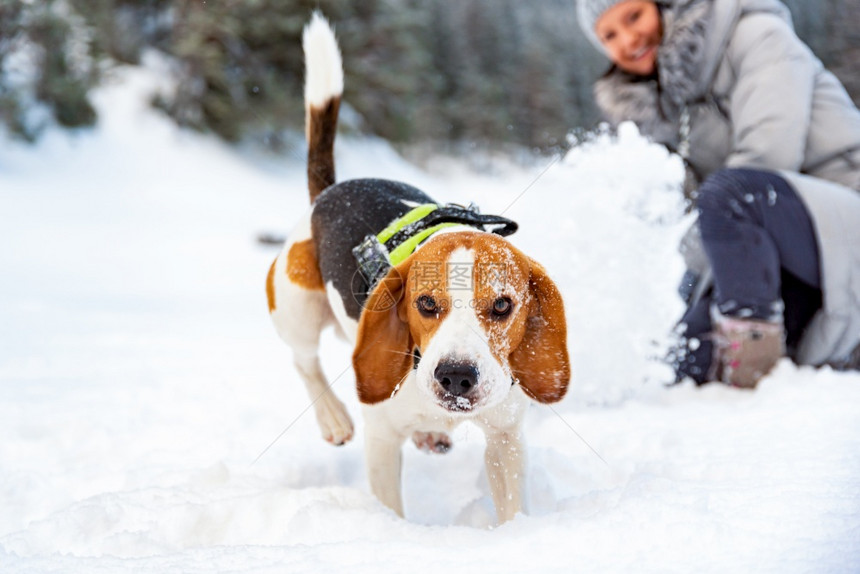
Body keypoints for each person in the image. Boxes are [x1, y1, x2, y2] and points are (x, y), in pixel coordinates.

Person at [576, 0, 860, 387]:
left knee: (728, 199)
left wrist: (703, 249)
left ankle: (755, 386)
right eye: (609, 35)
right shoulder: (663, 104)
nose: (628, 39)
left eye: (633, 16)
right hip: (787, 245)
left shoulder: (757, 34)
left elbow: (767, 157)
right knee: (689, 353)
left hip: (844, 215)